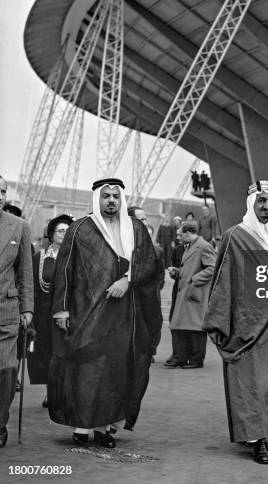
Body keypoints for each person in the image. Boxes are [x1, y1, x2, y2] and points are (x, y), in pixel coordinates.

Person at [49, 178, 162, 448]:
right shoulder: (80, 229)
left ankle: (104, 428)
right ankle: (81, 426)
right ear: (97, 199)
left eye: (115, 196)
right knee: (86, 366)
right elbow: (65, 270)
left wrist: (128, 280)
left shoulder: (135, 228)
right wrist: (61, 309)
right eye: (106, 196)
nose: (111, 200)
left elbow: (149, 265)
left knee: (115, 369)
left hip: (125, 315)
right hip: (86, 311)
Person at [204, 180, 268, 465]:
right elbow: (222, 284)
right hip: (247, 327)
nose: (267, 207)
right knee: (251, 384)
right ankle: (258, 440)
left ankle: (263, 431)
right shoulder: (236, 236)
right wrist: (226, 324)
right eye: (262, 202)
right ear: (251, 204)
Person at [0, 175, 33, 448]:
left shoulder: (19, 227)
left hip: (7, 312)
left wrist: (27, 309)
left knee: (7, 371)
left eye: (1, 191)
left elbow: (25, 273)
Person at [28, 214, 73, 407]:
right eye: (61, 230)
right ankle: (50, 392)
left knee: (66, 353)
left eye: (68, 231)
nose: (65, 234)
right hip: (45, 312)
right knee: (47, 354)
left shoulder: (76, 258)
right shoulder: (40, 257)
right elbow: (33, 287)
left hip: (68, 312)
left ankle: (66, 392)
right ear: (52, 234)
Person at [168, 221, 215, 368]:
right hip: (188, 294)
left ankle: (196, 360)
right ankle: (184, 357)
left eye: (180, 234)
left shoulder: (204, 246)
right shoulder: (193, 246)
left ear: (188, 233)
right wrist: (178, 272)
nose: (178, 237)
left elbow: (212, 268)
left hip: (195, 294)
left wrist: (194, 279)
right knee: (184, 327)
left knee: (196, 329)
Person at [164, 226, 185, 367]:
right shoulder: (177, 250)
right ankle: (176, 353)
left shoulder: (201, 248)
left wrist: (179, 272)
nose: (177, 237)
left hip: (190, 291)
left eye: (180, 234)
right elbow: (175, 268)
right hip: (177, 290)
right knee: (173, 320)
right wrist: (173, 272)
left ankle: (184, 355)